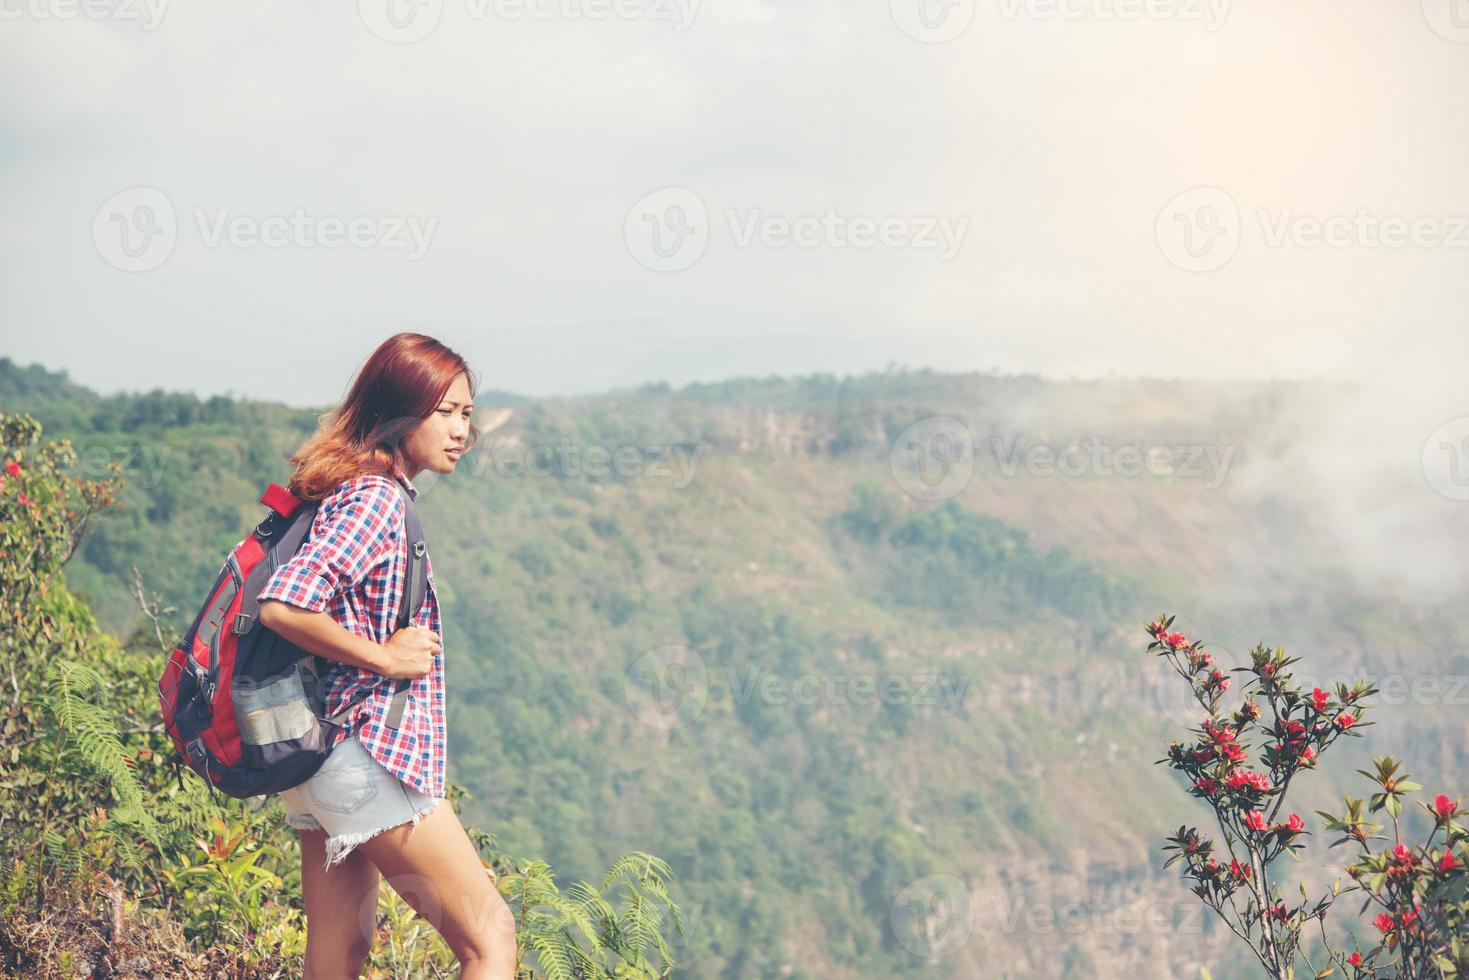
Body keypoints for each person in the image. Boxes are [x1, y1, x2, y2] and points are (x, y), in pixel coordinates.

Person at [256, 332, 516, 980]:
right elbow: (282, 606)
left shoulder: (352, 487)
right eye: (446, 412)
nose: (463, 429)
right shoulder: (375, 499)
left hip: (321, 763)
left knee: (339, 954)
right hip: (363, 756)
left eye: (466, 412)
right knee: (490, 938)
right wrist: (384, 658)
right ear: (402, 413)